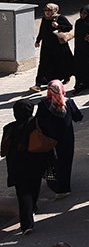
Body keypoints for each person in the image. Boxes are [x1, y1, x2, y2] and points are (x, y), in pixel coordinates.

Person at [3, 101, 54, 235]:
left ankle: (27, 225)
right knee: (34, 188)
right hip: (35, 165)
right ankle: (32, 210)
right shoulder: (37, 123)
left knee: (23, 194)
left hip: (17, 166)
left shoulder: (9, 127)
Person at [36, 80, 83, 198]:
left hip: (49, 139)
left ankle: (53, 182)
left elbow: (38, 121)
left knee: (51, 161)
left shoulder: (43, 104)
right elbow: (78, 117)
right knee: (66, 162)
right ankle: (64, 188)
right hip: (66, 139)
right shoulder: (69, 103)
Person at [35, 3, 73, 88]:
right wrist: (38, 40)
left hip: (58, 45)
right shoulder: (44, 19)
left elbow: (69, 27)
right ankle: (38, 84)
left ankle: (65, 76)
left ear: (55, 10)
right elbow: (42, 30)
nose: (47, 12)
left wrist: (58, 26)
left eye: (49, 10)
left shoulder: (60, 18)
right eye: (45, 10)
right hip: (46, 45)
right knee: (43, 63)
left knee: (61, 62)